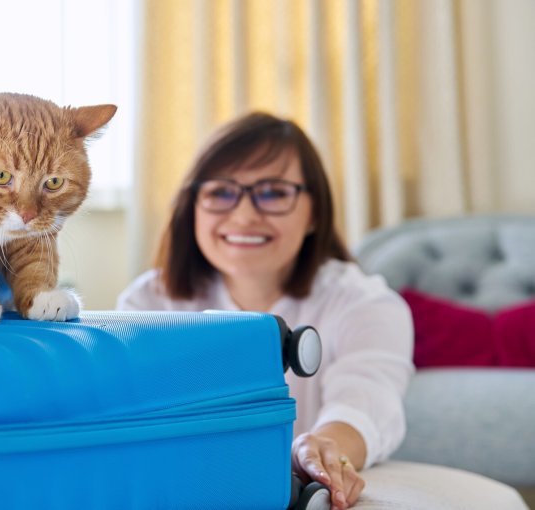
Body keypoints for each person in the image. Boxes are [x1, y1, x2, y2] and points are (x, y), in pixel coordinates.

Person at [116, 112, 412, 509]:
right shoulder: (148, 303)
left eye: (273, 193)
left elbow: (368, 399)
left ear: (315, 213)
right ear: (193, 208)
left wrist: (325, 448)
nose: (243, 215)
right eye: (221, 192)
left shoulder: (364, 303)